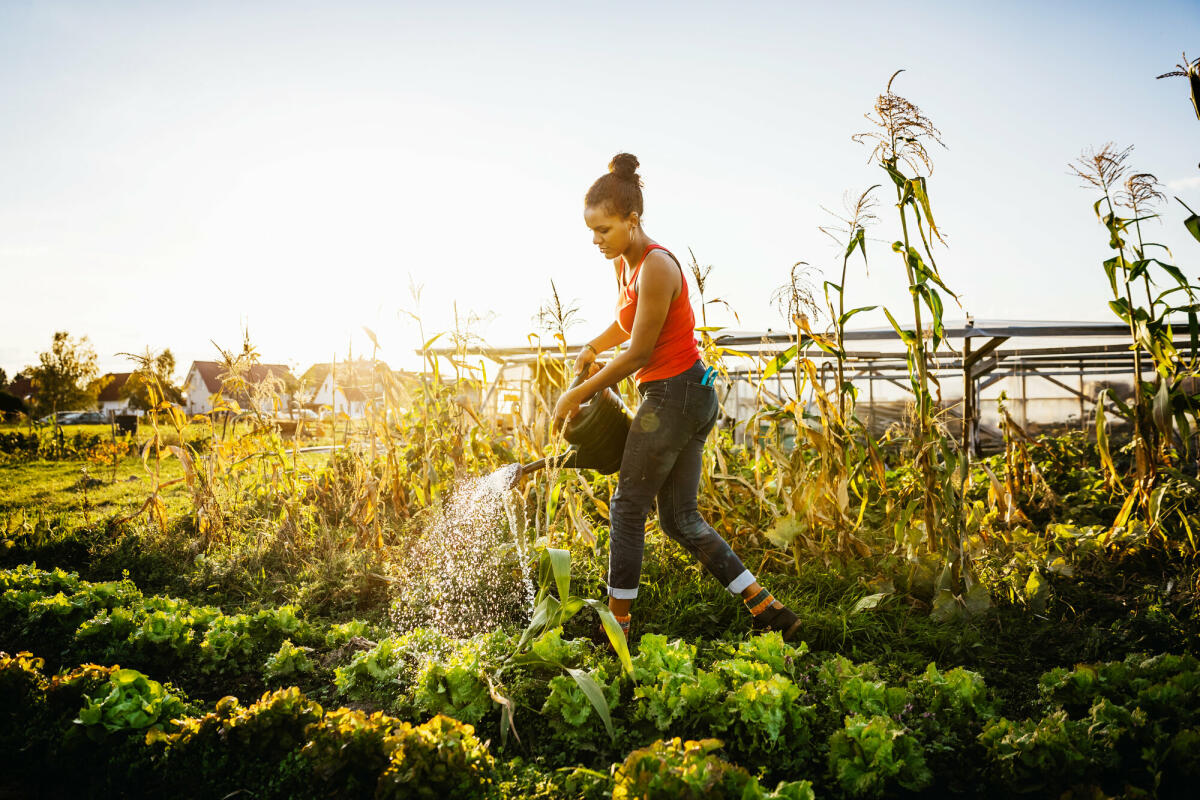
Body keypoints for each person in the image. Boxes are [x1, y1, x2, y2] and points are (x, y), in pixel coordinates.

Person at [552, 153, 802, 643]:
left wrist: (577, 393)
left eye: (603, 229)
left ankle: (616, 628)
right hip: (684, 395)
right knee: (679, 519)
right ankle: (768, 609)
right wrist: (591, 348)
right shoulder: (627, 267)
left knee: (627, 507)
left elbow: (641, 351)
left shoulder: (657, 266)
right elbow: (628, 325)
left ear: (632, 220)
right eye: (591, 231)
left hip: (675, 395)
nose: (596, 240)